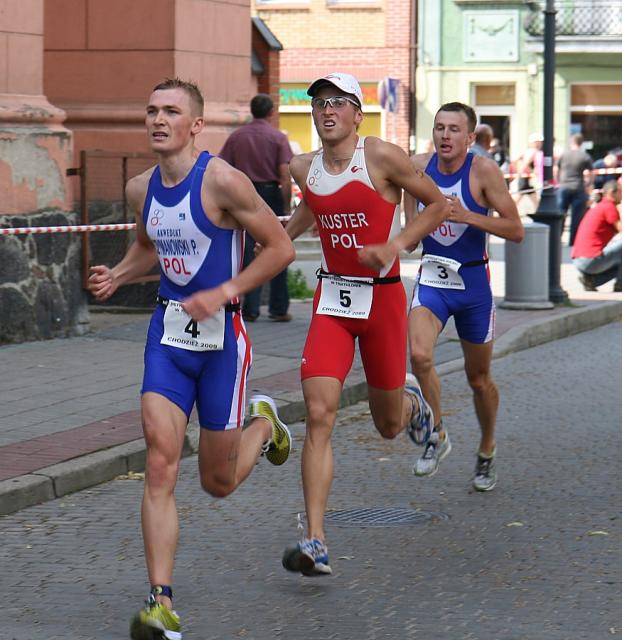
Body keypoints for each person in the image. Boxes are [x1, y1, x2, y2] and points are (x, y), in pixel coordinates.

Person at [88, 78, 295, 640]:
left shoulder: (223, 181)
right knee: (160, 462)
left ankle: (264, 424)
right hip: (168, 337)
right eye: (151, 110)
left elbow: (280, 247)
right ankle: (161, 602)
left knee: (217, 482)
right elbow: (148, 247)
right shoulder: (141, 188)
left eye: (171, 112)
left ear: (196, 125)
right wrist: (118, 274)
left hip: (223, 344)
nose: (158, 120)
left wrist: (226, 291)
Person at [279, 72, 449, 577]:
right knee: (319, 413)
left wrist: (396, 244)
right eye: (319, 103)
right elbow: (310, 211)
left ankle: (412, 402)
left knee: (388, 426)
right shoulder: (303, 166)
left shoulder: (380, 157)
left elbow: (438, 204)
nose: (327, 110)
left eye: (338, 102)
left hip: (383, 302)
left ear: (357, 114)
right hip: (332, 302)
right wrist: (266, 239)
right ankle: (315, 540)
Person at [404, 101, 524, 492]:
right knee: (420, 356)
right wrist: (411, 225)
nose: (445, 135)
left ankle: (487, 448)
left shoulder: (483, 171)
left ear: (470, 137)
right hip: (433, 279)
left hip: (473, 285)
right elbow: (407, 202)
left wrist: (467, 215)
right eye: (439, 127)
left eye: (454, 129)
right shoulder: (417, 167)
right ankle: (436, 433)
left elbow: (516, 230)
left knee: (479, 379)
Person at [220, 93, 294, 322]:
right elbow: (285, 175)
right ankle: (278, 308)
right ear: (271, 112)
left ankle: (250, 309)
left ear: (252, 111)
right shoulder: (278, 138)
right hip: (270, 193)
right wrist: (286, 206)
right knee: (278, 245)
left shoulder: (236, 137)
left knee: (248, 251)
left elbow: (222, 167)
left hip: (241, 194)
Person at [571, 180, 622, 292]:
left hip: (579, 259)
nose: (621, 195)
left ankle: (591, 281)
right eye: (620, 192)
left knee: (619, 259)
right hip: (590, 260)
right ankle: (620, 284)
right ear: (612, 193)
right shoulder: (609, 206)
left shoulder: (601, 206)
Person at [555, 133, 593, 246]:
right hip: (578, 188)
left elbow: (556, 169)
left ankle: (557, 239)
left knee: (560, 214)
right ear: (581, 143)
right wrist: (588, 184)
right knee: (576, 217)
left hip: (564, 187)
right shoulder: (584, 156)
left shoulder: (564, 155)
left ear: (572, 142)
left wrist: (558, 181)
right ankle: (573, 241)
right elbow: (591, 173)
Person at [512, 132, 543, 211]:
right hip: (525, 179)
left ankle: (539, 212)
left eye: (540, 142)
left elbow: (515, 160)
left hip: (527, 179)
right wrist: (526, 172)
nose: (540, 144)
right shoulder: (533, 151)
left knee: (534, 199)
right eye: (538, 142)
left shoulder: (529, 151)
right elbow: (524, 164)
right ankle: (507, 213)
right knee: (517, 198)